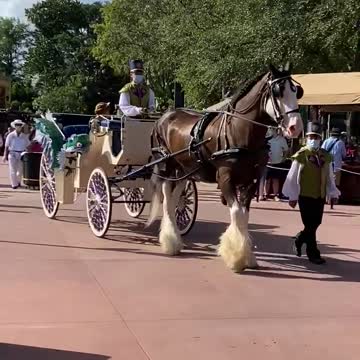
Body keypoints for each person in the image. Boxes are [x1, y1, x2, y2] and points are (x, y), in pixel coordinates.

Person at [283, 122, 340, 265]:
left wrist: (332, 193)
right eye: (311, 136)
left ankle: (300, 238)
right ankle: (313, 253)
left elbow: (329, 175)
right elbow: (293, 176)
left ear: (320, 139)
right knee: (310, 224)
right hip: (305, 195)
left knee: (316, 223)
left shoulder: (325, 156)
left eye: (316, 137)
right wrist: (292, 196)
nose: (314, 139)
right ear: (307, 138)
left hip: (319, 195)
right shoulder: (301, 155)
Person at [2, 119, 31, 189]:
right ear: (14, 126)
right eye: (17, 125)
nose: (18, 126)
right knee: (12, 169)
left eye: (19, 125)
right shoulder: (10, 135)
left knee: (20, 170)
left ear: (21, 126)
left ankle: (18, 181)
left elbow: (28, 145)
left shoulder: (24, 136)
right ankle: (14, 184)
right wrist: (5, 155)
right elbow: (6, 146)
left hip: (21, 154)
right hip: (12, 153)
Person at [264, 128, 289, 201]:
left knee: (276, 179)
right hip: (267, 163)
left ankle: (276, 195)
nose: (271, 130)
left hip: (277, 162)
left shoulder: (282, 140)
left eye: (273, 129)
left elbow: (286, 150)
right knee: (267, 180)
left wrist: (284, 158)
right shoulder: (266, 139)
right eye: (270, 128)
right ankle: (266, 194)